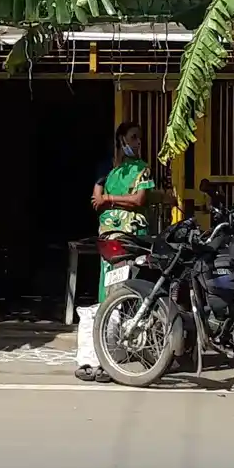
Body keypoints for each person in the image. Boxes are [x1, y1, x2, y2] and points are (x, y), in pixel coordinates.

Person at [80, 122, 159, 382]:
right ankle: (105, 355)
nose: (137, 143)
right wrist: (105, 200)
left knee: (129, 291)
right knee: (109, 292)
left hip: (132, 238)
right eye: (133, 138)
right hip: (111, 238)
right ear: (121, 140)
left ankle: (118, 354)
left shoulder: (142, 168)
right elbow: (95, 200)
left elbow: (139, 200)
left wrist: (110, 200)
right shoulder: (109, 169)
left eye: (139, 138)